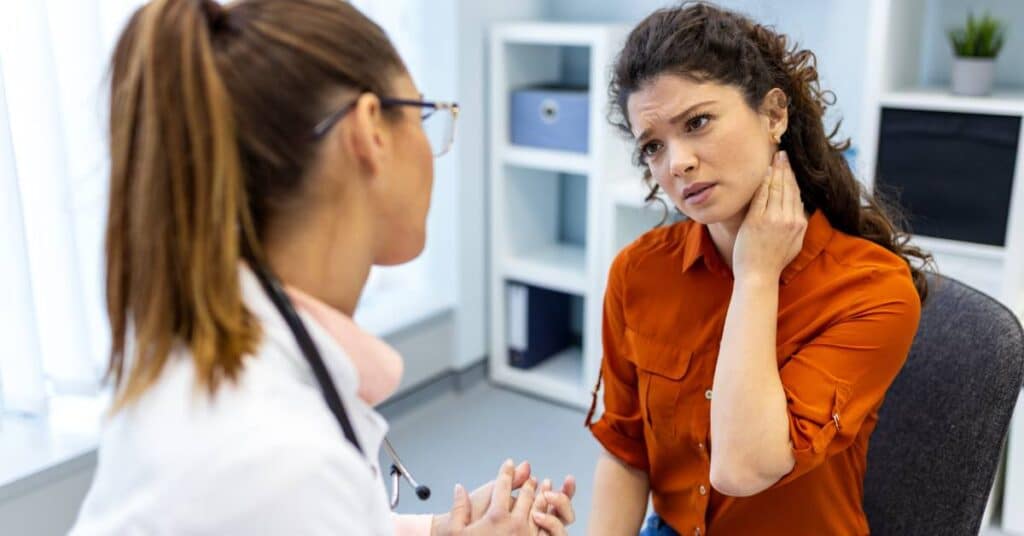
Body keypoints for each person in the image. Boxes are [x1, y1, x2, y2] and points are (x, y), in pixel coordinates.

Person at [70, 0, 575, 534]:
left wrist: (444, 529)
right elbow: (305, 500)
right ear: (369, 132)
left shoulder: (232, 357)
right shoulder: (277, 459)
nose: (433, 148)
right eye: (425, 114)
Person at [584, 3, 932, 535]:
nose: (676, 163)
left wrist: (755, 276)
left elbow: (742, 467)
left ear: (773, 115)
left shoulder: (873, 290)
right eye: (653, 146)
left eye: (697, 122)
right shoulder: (638, 272)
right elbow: (627, 451)